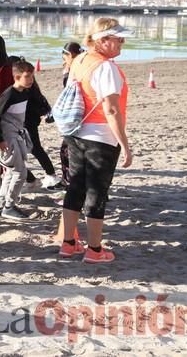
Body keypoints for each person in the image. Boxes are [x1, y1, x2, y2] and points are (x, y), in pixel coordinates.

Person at [59, 18, 133, 264]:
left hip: (76, 132)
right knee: (96, 192)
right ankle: (94, 249)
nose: (122, 43)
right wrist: (124, 144)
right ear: (103, 41)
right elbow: (111, 110)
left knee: (76, 187)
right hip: (100, 136)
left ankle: (68, 243)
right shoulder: (105, 67)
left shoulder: (79, 60)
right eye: (118, 38)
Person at [0, 60, 36, 220]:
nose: (31, 79)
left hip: (17, 133)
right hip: (8, 136)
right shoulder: (9, 93)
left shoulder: (25, 91)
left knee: (12, 172)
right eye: (27, 76)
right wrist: (0, 139)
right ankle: (9, 206)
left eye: (32, 76)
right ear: (17, 77)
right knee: (20, 172)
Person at [60, 42, 84, 185]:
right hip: (82, 115)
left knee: (67, 151)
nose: (63, 60)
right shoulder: (83, 65)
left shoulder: (73, 71)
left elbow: (69, 91)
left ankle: (69, 182)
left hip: (76, 115)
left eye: (64, 56)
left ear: (69, 55)